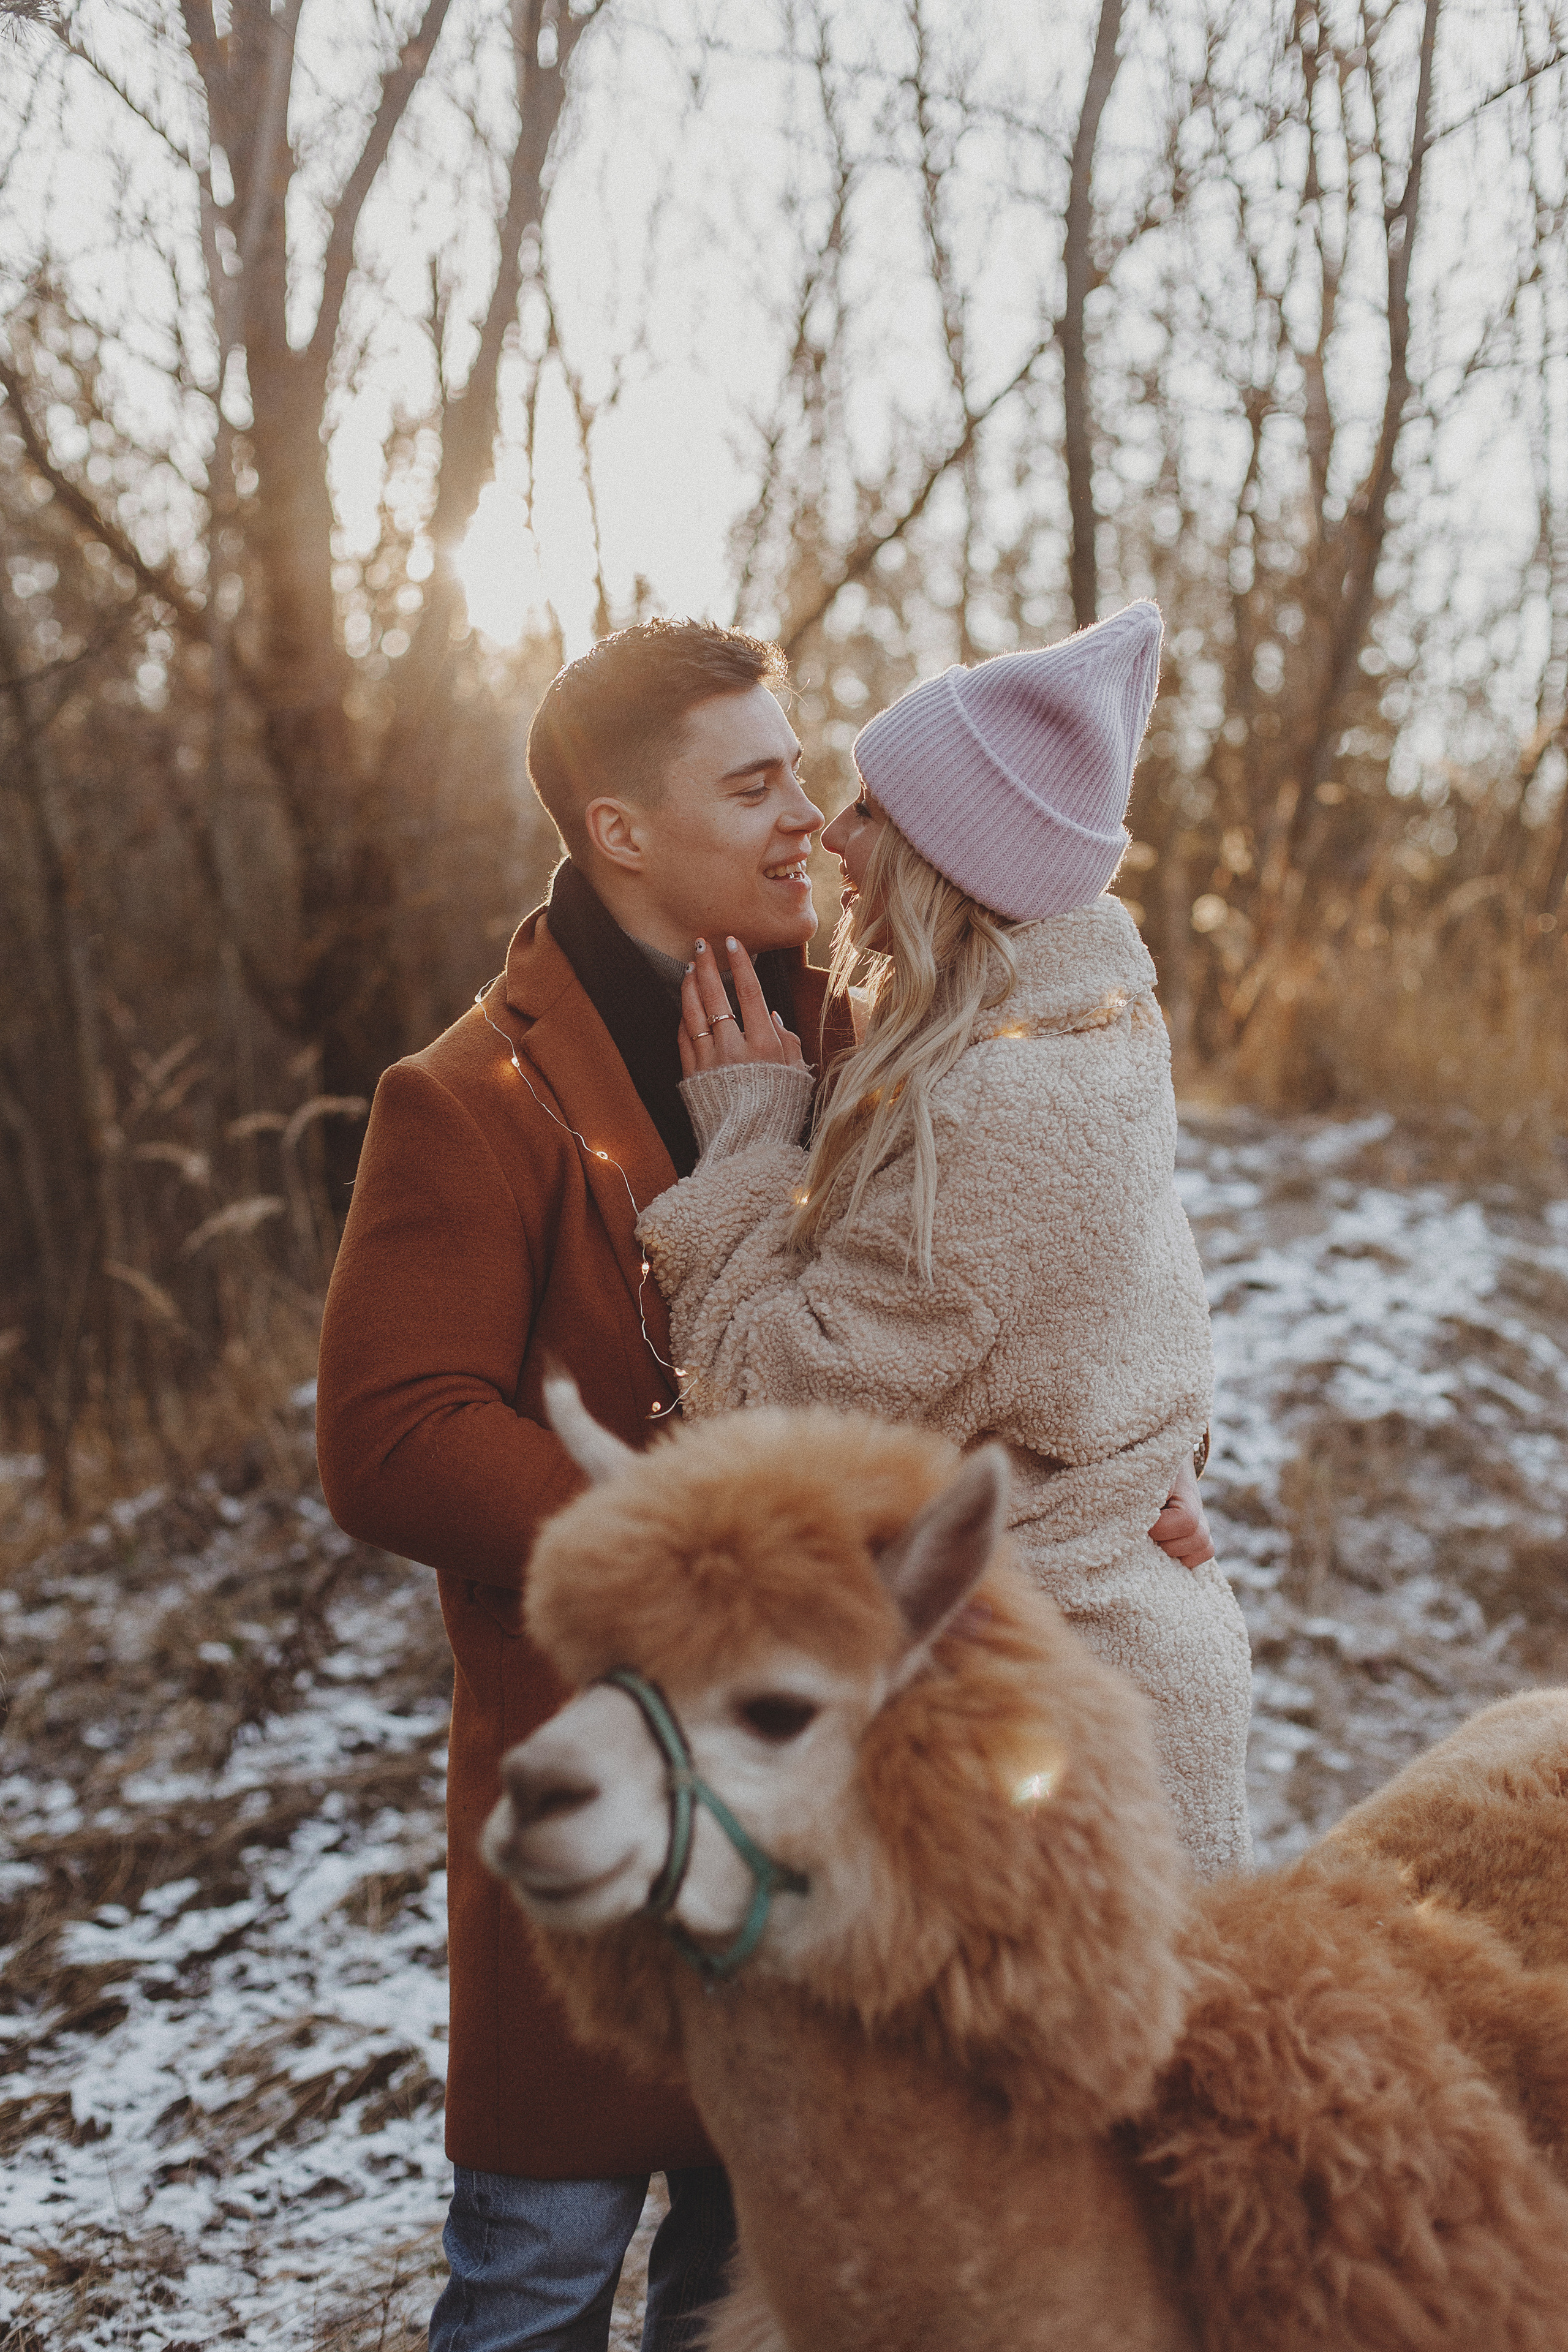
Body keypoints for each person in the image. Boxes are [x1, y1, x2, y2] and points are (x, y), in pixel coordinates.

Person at [315, 615, 1220, 2352]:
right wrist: (704, 1555)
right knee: (533, 2281)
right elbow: (395, 1435)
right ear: (622, 835)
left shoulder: (876, 1023)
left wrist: (1132, 1460)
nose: (808, 817)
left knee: (762, 2294)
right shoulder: (466, 1098)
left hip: (818, 1820)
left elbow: (1047, 1274)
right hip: (607, 1758)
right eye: (756, 784)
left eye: (803, 772)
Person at [637, 603, 1253, 1879]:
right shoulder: (1078, 1032)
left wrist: (748, 1147)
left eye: (871, 812)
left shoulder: (1002, 1103)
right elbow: (1128, 1300)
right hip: (1089, 1664)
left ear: (946, 861)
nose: (832, 839)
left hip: (1055, 1726)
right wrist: (1138, 1453)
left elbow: (767, 1397)